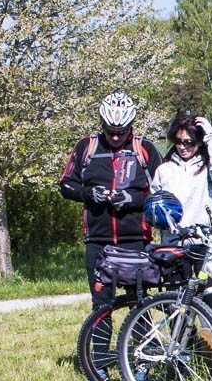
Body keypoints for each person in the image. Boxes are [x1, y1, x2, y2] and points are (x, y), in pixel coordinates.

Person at [57, 92, 163, 310]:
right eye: (110, 131)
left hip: (135, 240)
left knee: (139, 305)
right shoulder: (87, 146)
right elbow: (66, 185)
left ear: (131, 126)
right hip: (98, 240)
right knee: (101, 306)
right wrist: (88, 194)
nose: (115, 137)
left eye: (121, 132)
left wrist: (132, 199)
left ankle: (141, 344)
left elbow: (162, 195)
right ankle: (100, 347)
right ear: (102, 124)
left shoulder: (144, 149)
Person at [151, 110, 212, 245]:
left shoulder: (208, 167)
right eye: (178, 141)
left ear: (199, 142)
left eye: (188, 142)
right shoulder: (164, 170)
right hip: (175, 241)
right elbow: (156, 206)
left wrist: (211, 136)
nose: (182, 147)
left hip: (206, 239)